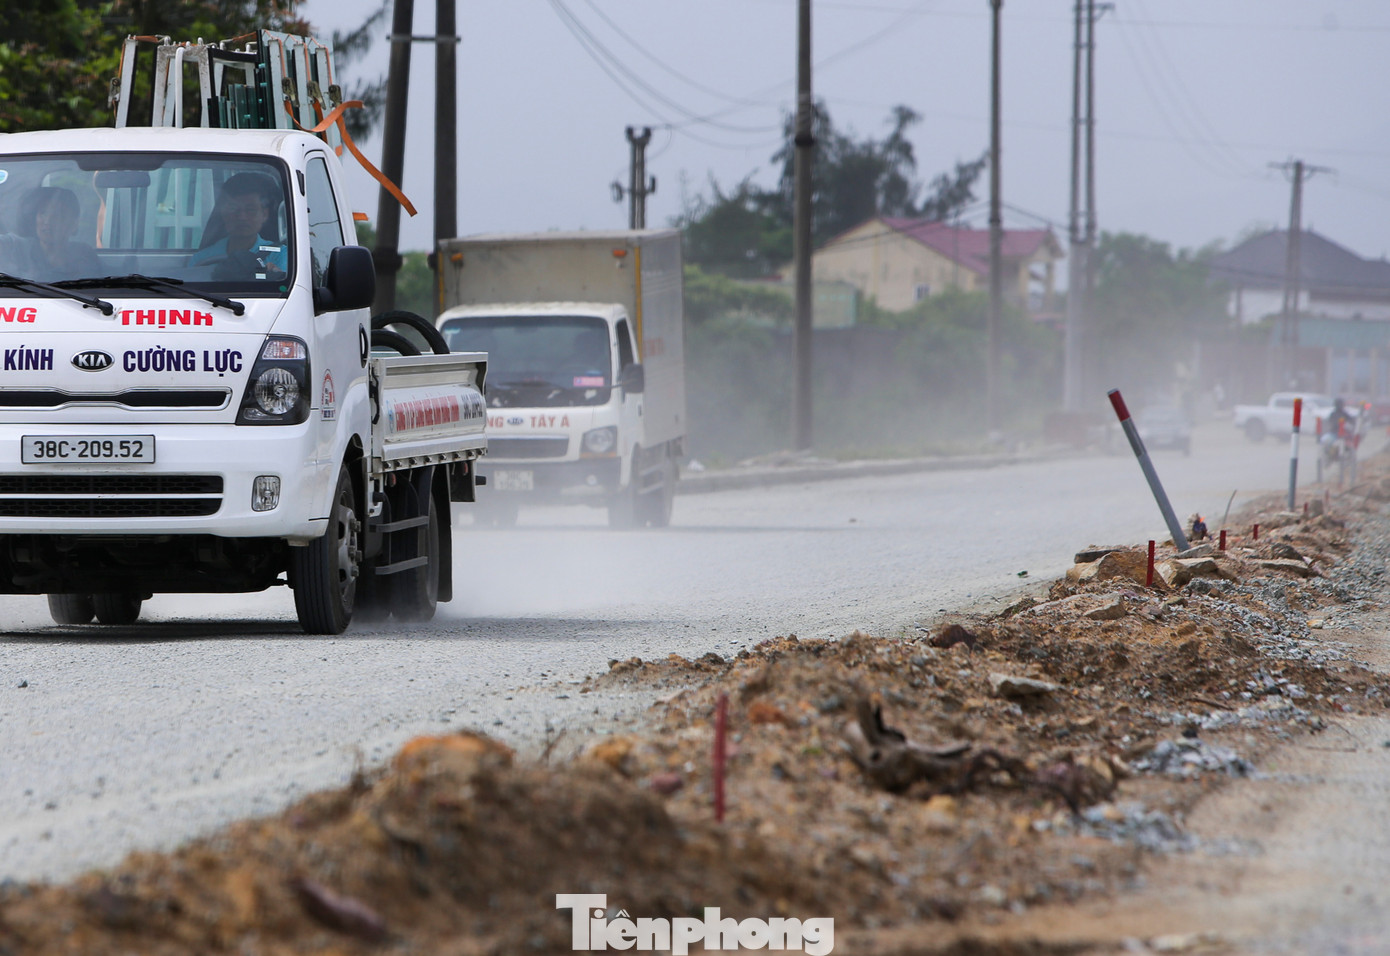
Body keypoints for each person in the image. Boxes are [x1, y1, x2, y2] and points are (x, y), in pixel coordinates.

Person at [189, 173, 288, 278]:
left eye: (250, 210)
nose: (242, 217)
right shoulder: (201, 258)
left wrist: (275, 278)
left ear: (264, 214)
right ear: (223, 213)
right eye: (234, 209)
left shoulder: (280, 255)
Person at [0, 186, 101, 281]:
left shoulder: (84, 254)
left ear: (74, 223)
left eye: (57, 214)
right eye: (43, 213)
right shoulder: (14, 247)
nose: (47, 221)